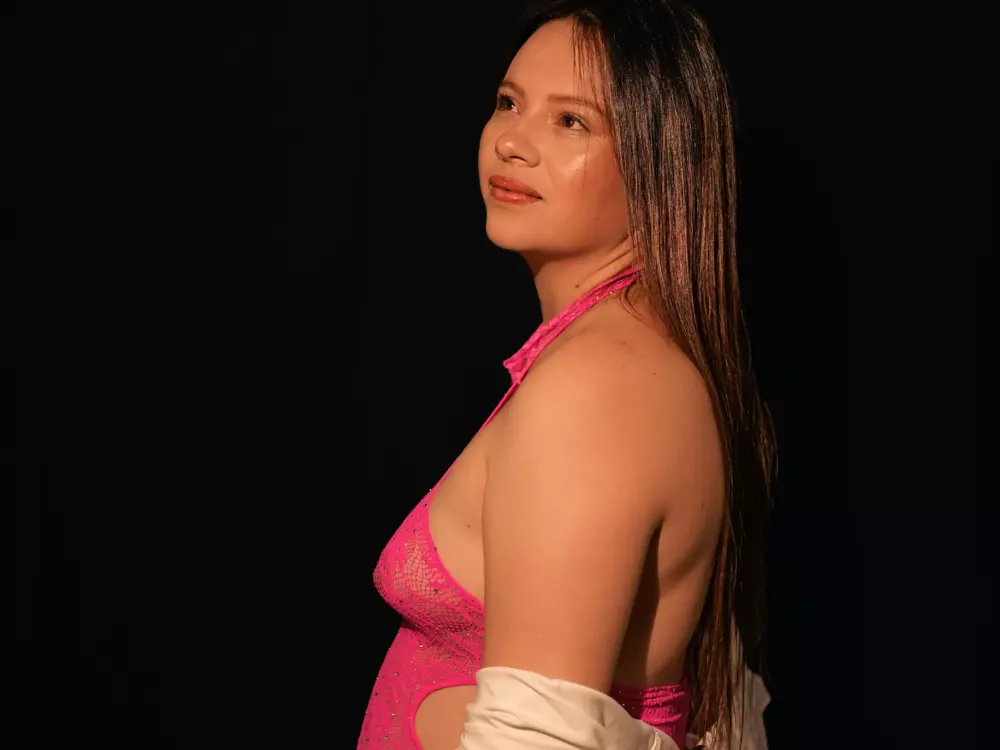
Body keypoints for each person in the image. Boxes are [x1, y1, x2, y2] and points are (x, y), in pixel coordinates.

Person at [359, 1, 775, 748]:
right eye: (508, 103)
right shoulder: (631, 355)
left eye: (571, 121)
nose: (512, 142)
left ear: (661, 160)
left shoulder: (597, 387)